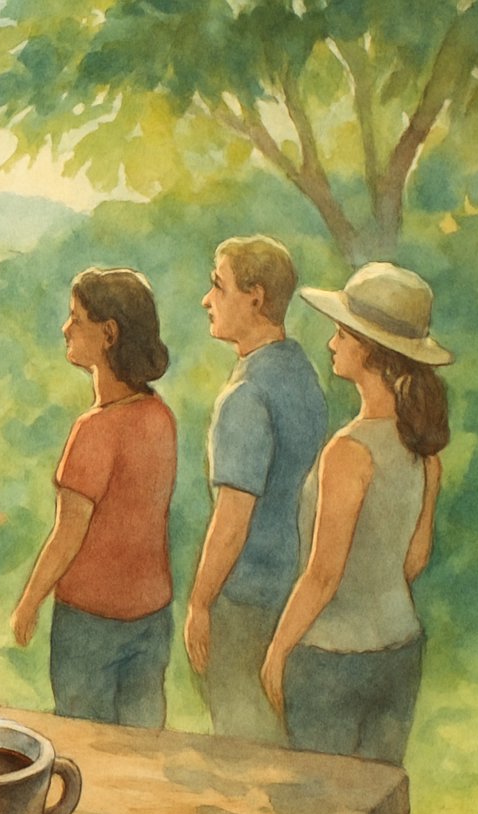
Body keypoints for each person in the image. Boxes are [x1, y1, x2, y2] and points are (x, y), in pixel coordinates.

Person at [261, 261, 449, 787]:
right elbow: (415, 560)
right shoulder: (424, 450)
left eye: (342, 333)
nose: (331, 344)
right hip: (401, 647)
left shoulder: (349, 450)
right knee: (380, 806)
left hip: (333, 662)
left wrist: (277, 650)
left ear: (372, 351)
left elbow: (323, 575)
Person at [10, 269, 176, 727]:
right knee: (142, 749)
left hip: (90, 624)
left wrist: (29, 602)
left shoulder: (94, 431)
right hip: (152, 617)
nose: (65, 329)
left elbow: (67, 535)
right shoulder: (160, 416)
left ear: (109, 334)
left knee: (86, 749)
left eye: (76, 319)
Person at [185, 236, 327, 743]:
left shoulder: (245, 395)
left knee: (246, 759)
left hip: (246, 605)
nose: (207, 300)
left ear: (256, 298)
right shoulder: (304, 374)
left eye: (217, 286)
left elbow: (232, 518)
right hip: (299, 598)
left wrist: (200, 603)